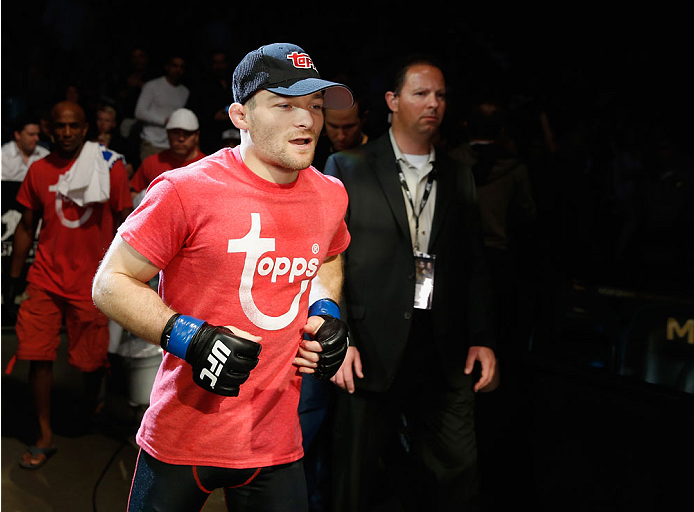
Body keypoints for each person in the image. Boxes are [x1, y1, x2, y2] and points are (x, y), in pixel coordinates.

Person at [91, 42, 354, 512]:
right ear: (240, 116)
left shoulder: (329, 194)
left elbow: (329, 255)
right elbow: (110, 281)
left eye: (314, 106)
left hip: (274, 438)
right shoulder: (186, 190)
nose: (307, 121)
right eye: (285, 105)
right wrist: (190, 337)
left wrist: (325, 309)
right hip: (183, 434)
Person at [323, 54, 497, 512]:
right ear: (392, 101)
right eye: (421, 93)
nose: (433, 103)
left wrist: (481, 337)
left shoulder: (459, 173)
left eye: (440, 95)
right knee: (355, 478)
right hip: (369, 342)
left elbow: (473, 262)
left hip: (442, 341)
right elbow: (326, 260)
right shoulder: (348, 166)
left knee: (455, 472)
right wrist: (341, 337)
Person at [5, 100, 132, 469]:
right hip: (45, 277)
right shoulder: (40, 170)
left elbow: (127, 224)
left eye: (73, 126)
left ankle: (92, 401)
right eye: (59, 126)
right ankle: (44, 434)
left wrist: (129, 277)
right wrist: (13, 279)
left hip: (91, 281)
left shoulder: (110, 167)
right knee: (36, 354)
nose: (65, 133)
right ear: (49, 128)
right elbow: (27, 227)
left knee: (90, 361)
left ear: (85, 128)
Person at [129, 108, 205, 201]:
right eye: (176, 133)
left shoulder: (207, 167)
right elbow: (132, 194)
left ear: (196, 136)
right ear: (168, 134)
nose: (181, 138)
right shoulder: (151, 163)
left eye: (187, 134)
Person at [134, 53, 189, 162]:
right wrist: (165, 121)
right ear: (167, 67)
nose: (178, 70)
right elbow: (139, 112)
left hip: (173, 145)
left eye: (181, 67)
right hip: (151, 143)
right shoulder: (152, 86)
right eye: (174, 66)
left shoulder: (185, 91)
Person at [312, 90, 369, 171]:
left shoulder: (378, 154)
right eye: (333, 126)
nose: (341, 136)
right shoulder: (312, 151)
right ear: (323, 118)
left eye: (349, 127)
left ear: (363, 119)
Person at [1, 115, 51, 182]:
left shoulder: (45, 155)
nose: (37, 138)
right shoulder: (3, 155)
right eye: (31, 134)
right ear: (17, 135)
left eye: (37, 134)